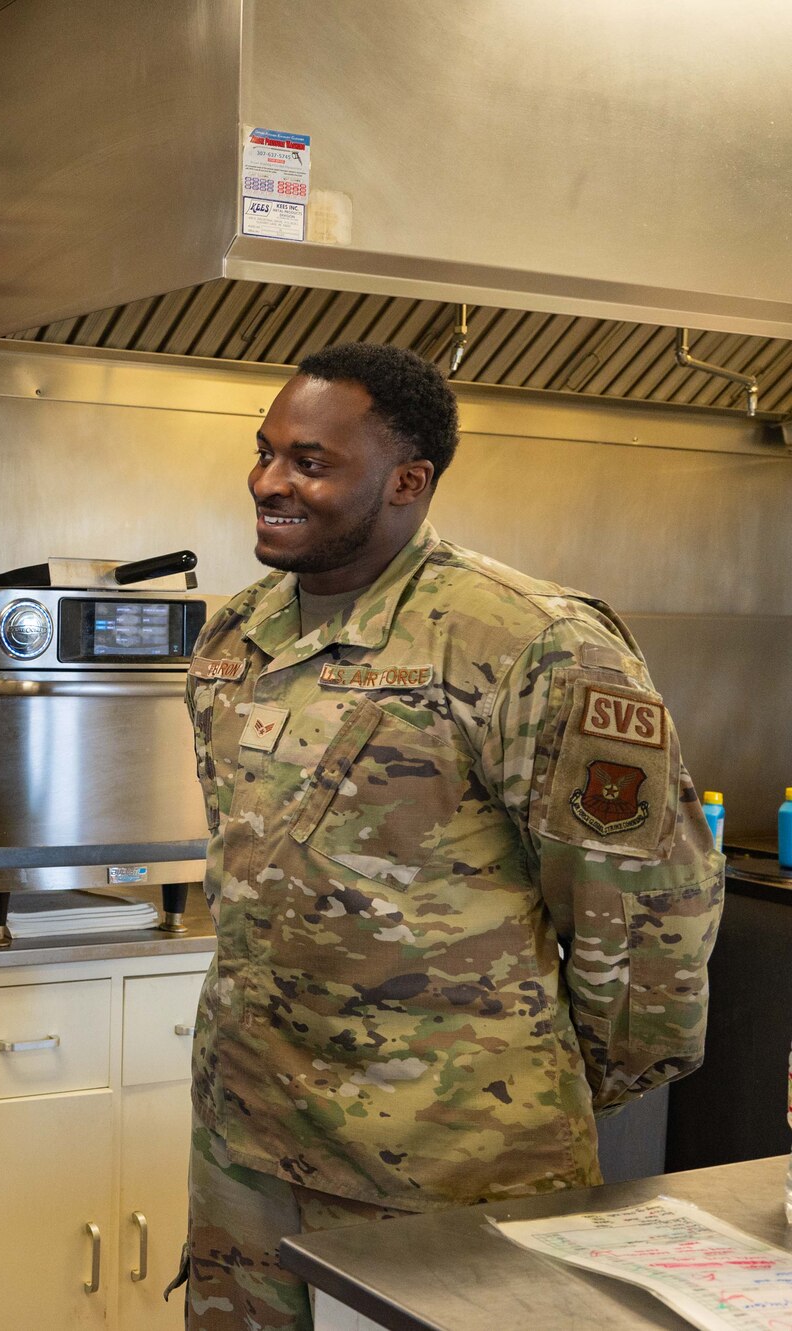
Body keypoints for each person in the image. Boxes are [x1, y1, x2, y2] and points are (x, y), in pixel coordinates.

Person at [180, 342, 723, 1330]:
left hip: (453, 1160)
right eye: (262, 452)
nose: (267, 481)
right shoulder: (235, 637)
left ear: (407, 481)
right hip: (247, 1145)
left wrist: (531, 1088)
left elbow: (645, 909)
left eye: (308, 461)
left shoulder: (529, 642)